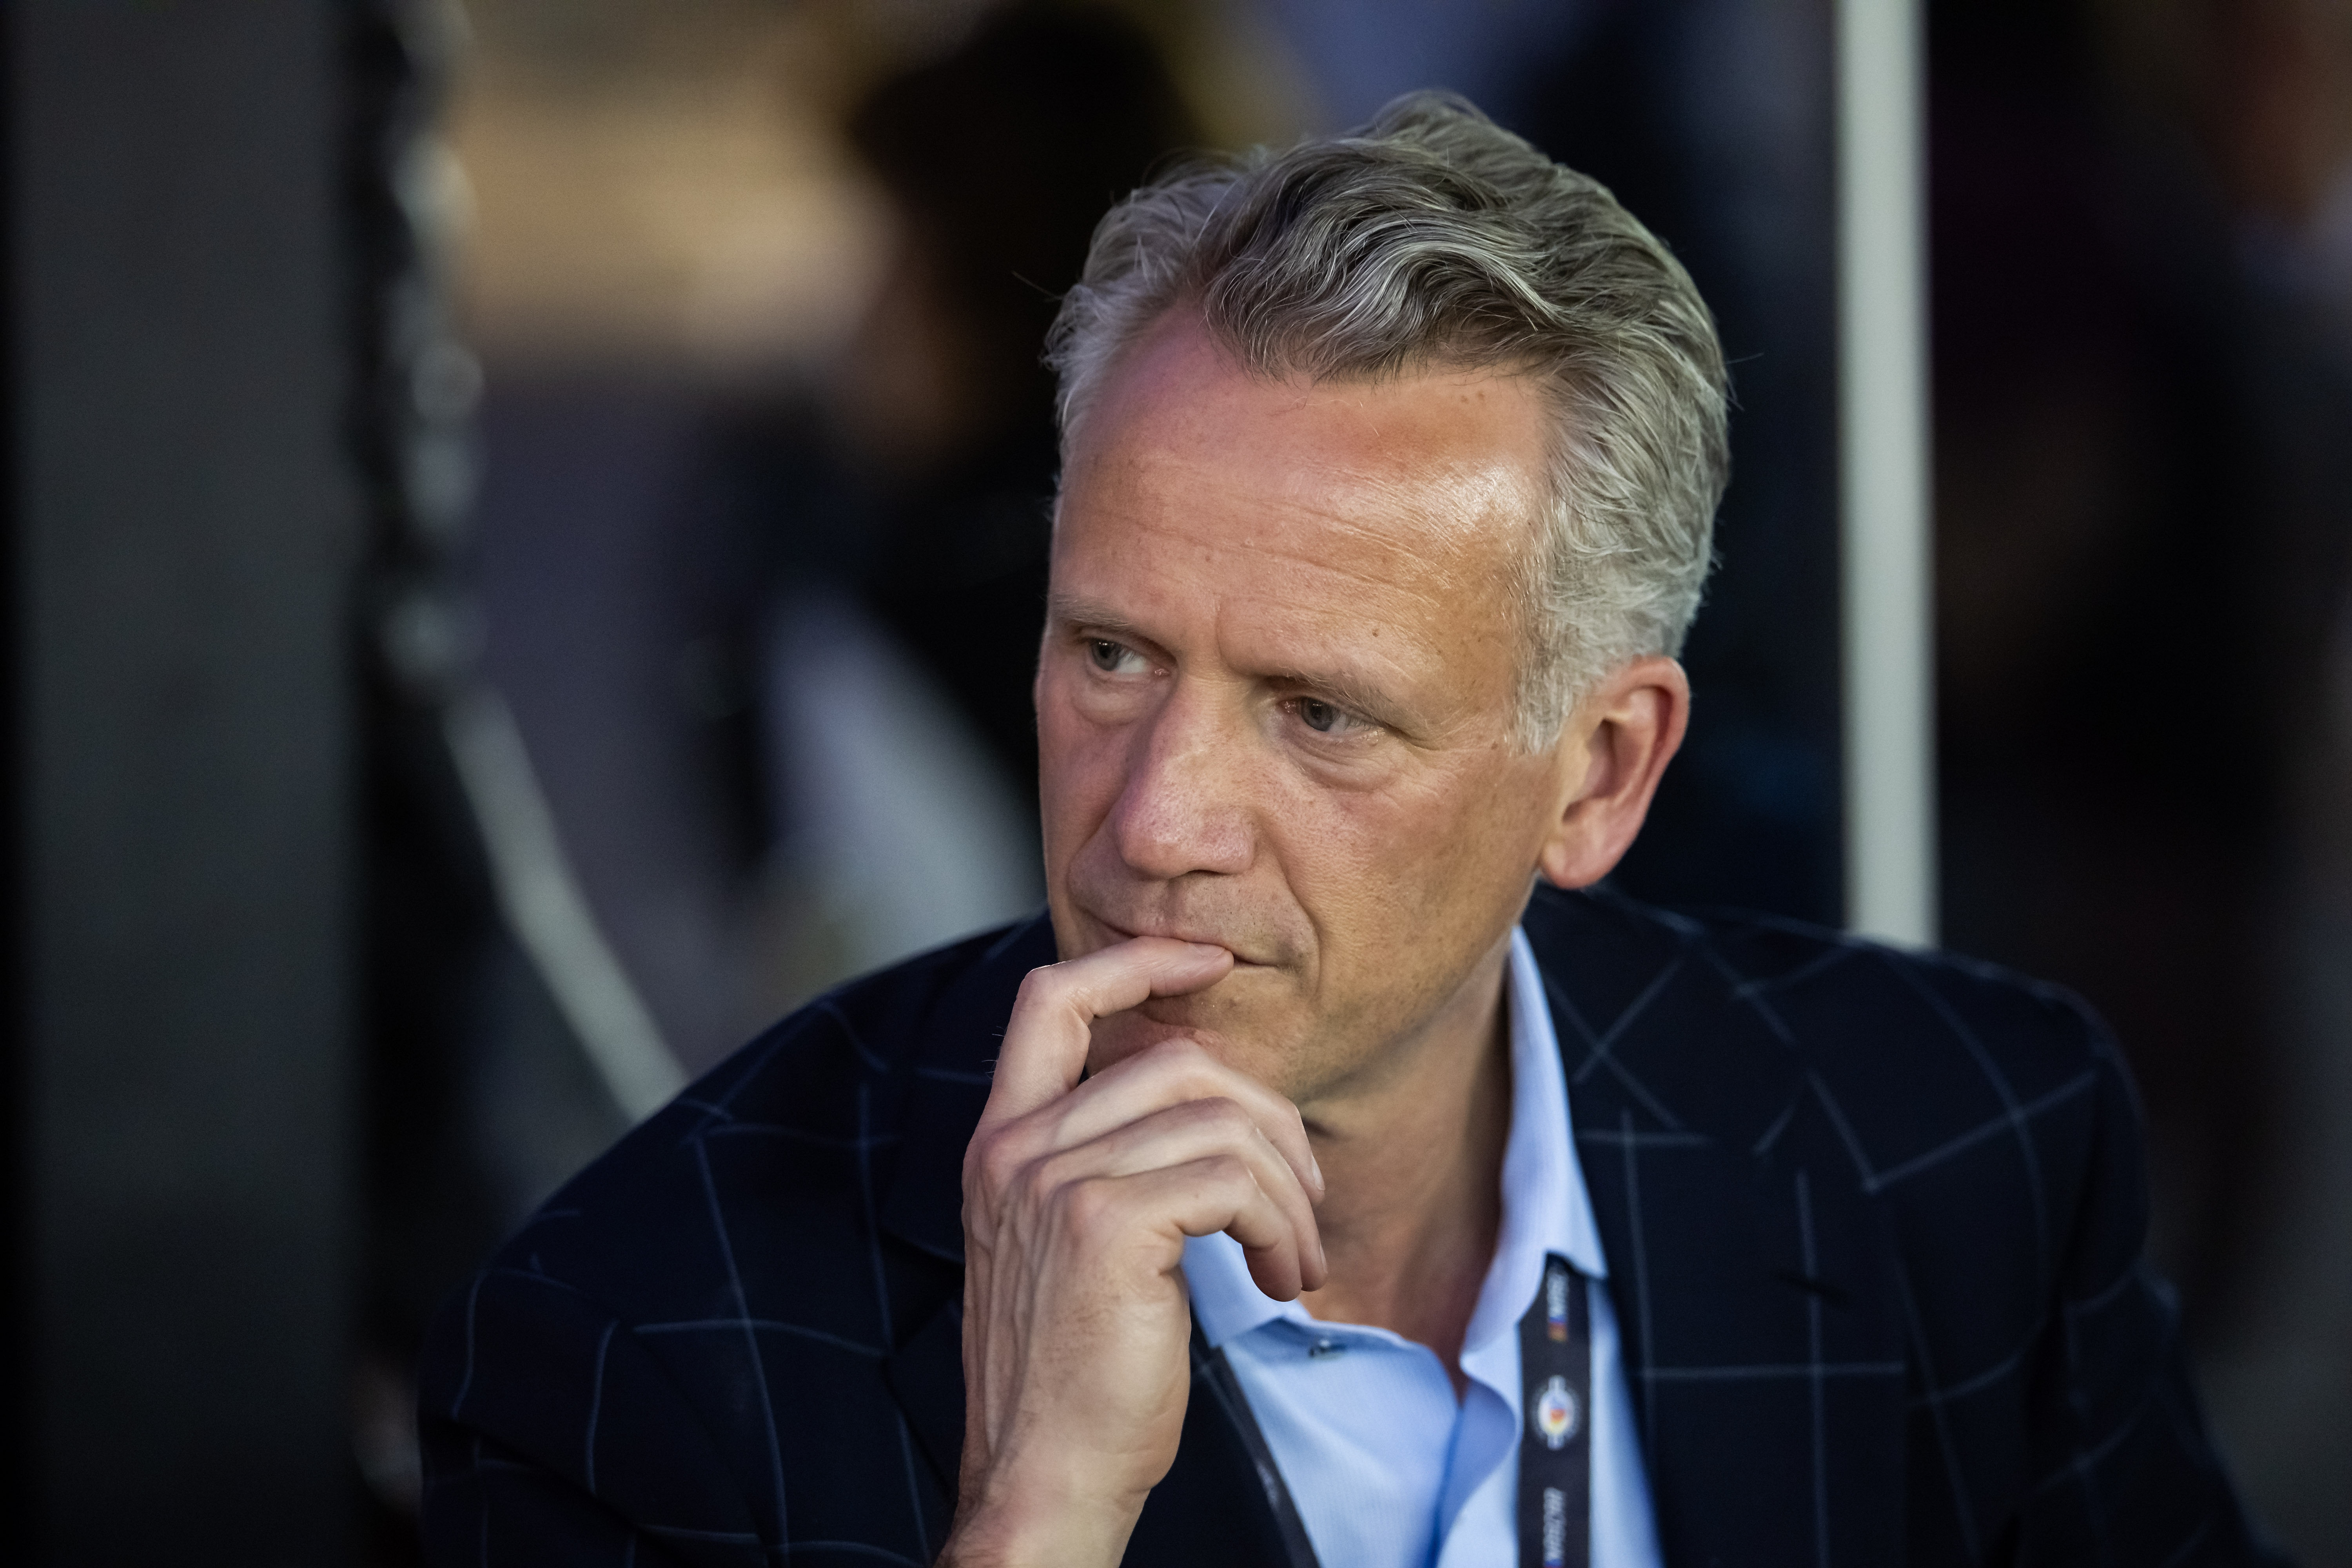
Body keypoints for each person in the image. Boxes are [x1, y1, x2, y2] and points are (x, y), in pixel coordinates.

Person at [417, 94, 2275, 1566]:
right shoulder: (643, 1344)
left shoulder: (1961, 1150)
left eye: (1320, 712)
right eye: (1114, 656)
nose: (1158, 823)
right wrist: (1035, 1527)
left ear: (1605, 773)